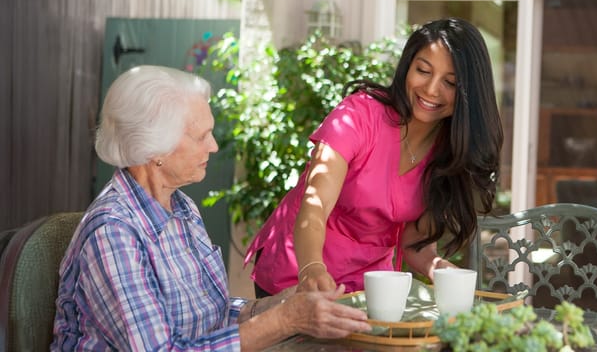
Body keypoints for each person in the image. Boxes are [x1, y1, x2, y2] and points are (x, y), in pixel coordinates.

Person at [51, 65, 371, 351]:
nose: (214, 146)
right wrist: (286, 321)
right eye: (202, 136)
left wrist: (286, 303)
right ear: (154, 148)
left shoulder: (182, 208)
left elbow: (211, 316)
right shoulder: (114, 232)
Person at [245, 17, 504, 297]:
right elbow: (315, 206)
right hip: (299, 269)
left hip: (367, 283)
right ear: (408, 66)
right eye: (423, 71)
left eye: (450, 82)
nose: (431, 89)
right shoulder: (358, 116)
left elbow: (414, 244)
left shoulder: (448, 150)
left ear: (469, 94)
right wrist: (311, 268)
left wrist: (441, 269)